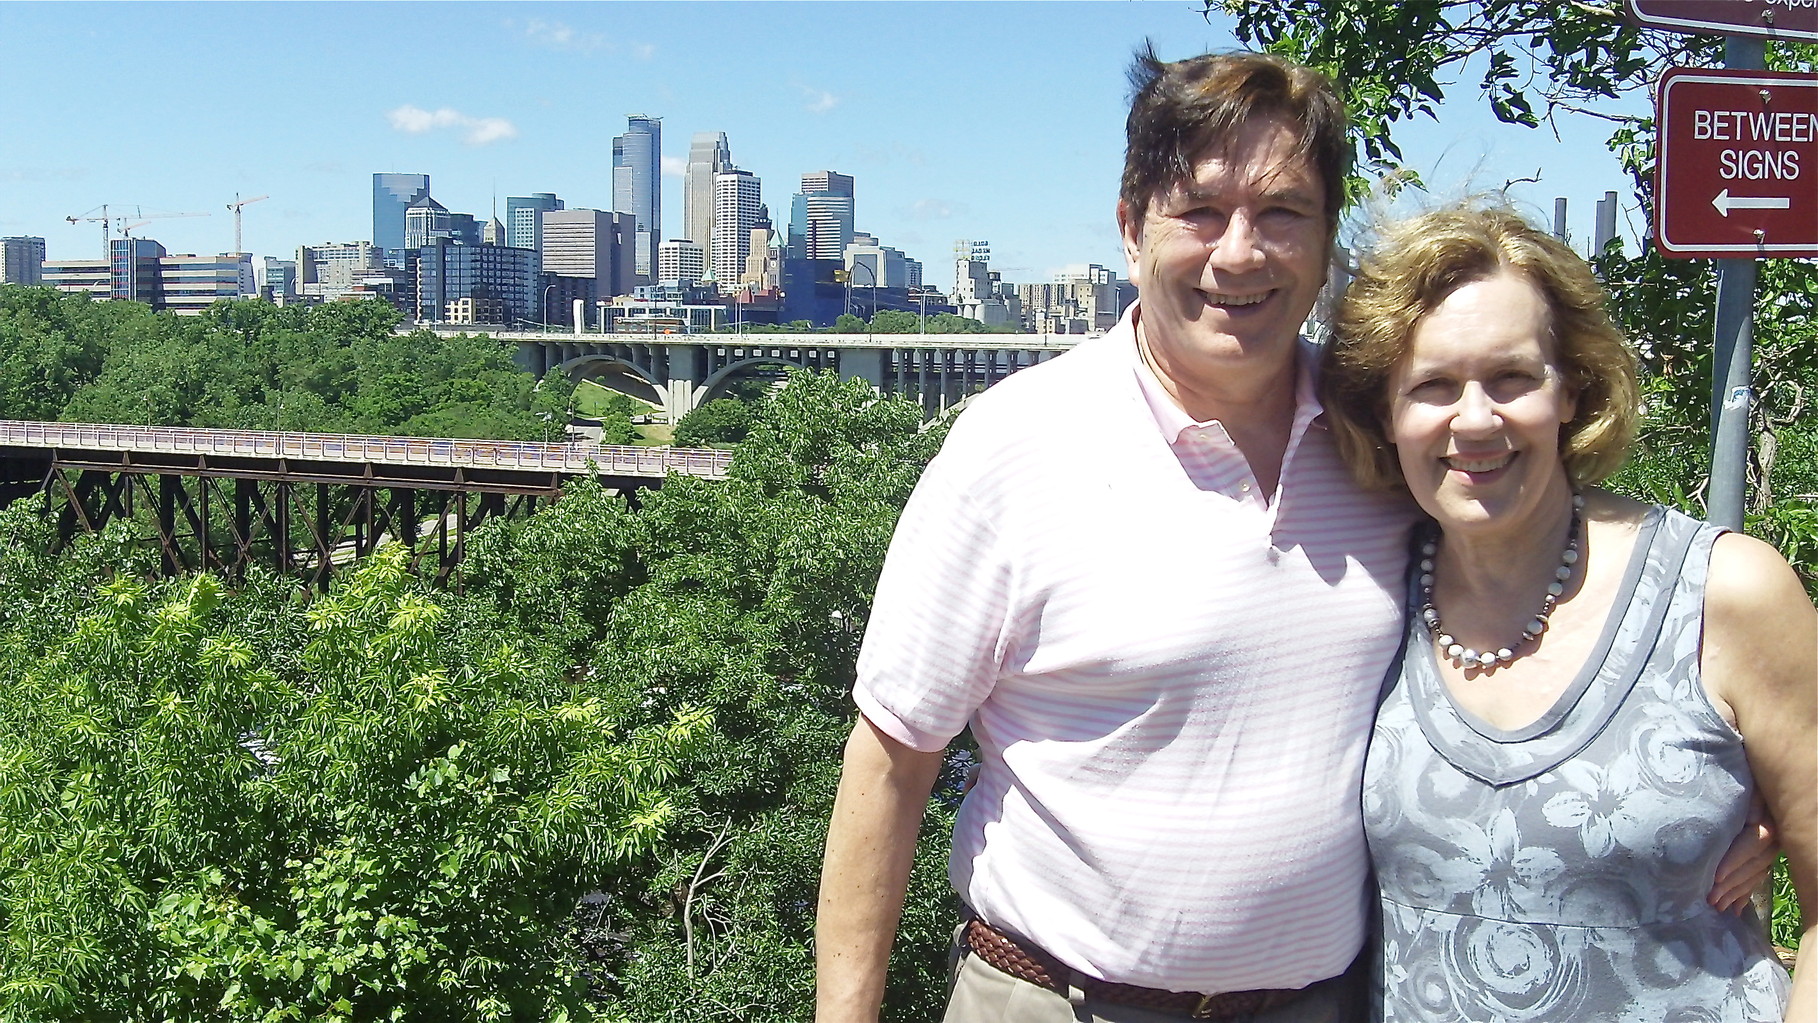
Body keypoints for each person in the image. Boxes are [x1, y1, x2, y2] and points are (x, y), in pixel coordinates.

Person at [815, 46, 1777, 1023]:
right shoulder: (1012, 451)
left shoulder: (1387, 439)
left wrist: (1747, 788)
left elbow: (1556, 609)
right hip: (1055, 1000)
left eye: (1282, 212)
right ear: (1129, 228)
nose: (1240, 252)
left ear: (1324, 245)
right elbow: (891, 762)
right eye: (1199, 210)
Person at [1318, 202, 1815, 1022]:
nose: (1474, 419)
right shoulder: (1366, 593)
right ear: (1385, 412)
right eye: (1434, 386)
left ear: (1572, 389)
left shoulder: (1724, 593)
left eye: (1511, 377)